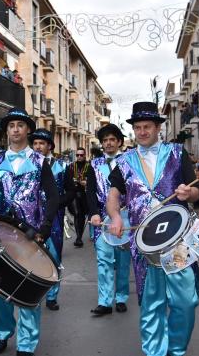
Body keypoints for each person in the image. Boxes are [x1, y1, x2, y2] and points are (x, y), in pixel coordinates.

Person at [106, 102, 199, 356]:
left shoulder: (176, 153)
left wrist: (188, 192)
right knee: (151, 304)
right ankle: (155, 353)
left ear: (158, 127)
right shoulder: (124, 161)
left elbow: (196, 192)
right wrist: (115, 216)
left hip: (178, 242)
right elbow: (113, 194)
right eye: (137, 128)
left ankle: (177, 350)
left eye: (147, 126)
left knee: (185, 301)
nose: (142, 132)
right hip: (144, 245)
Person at [0, 108, 59, 356]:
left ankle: (27, 344)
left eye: (20, 125)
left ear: (27, 130)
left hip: (30, 236)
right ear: (7, 130)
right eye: (11, 125)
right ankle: (3, 333)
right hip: (1, 236)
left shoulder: (40, 161)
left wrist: (44, 228)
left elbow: (53, 196)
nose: (15, 129)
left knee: (28, 292)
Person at [86, 124, 131, 316]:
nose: (108, 143)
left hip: (125, 218)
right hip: (101, 221)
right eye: (105, 140)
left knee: (122, 260)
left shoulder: (129, 161)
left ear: (119, 142)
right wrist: (93, 213)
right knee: (103, 260)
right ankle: (105, 301)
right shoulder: (94, 165)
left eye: (112, 139)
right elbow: (89, 191)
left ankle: (121, 296)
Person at [29, 128, 75, 311]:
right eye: (35, 143)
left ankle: (52, 296)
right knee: (31, 255)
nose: (38, 147)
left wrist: (56, 203)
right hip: (31, 217)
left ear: (50, 146)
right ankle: (33, 292)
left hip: (54, 218)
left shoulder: (62, 166)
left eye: (42, 143)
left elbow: (71, 191)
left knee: (54, 256)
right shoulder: (27, 166)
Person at [68, 147, 90, 247]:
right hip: (74, 194)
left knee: (83, 215)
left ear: (85, 155)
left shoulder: (89, 166)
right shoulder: (71, 166)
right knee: (77, 214)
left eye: (81, 155)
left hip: (85, 194)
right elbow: (66, 180)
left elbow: (94, 181)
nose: (79, 157)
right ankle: (78, 238)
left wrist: (87, 183)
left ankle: (81, 235)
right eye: (77, 155)